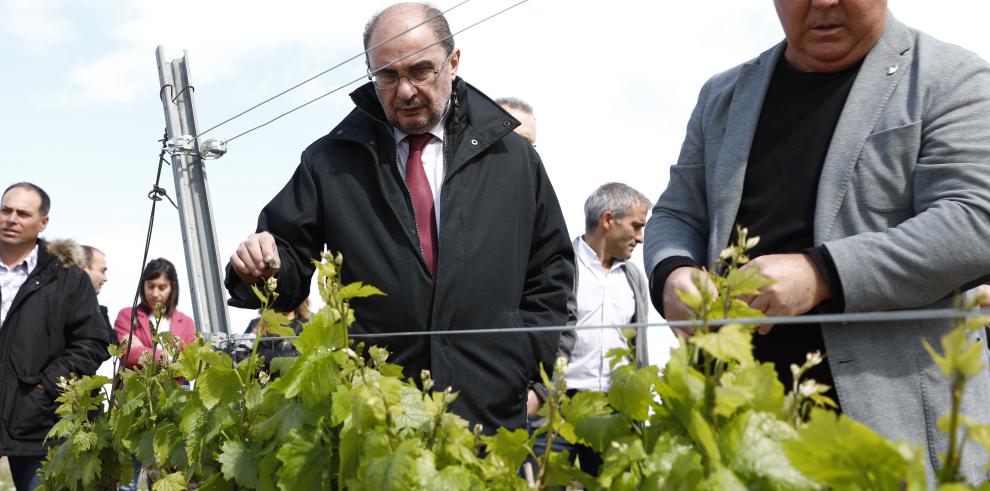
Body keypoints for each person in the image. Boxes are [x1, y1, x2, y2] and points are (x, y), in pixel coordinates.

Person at [644, 0, 990, 482]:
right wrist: (673, 272)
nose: (824, 2)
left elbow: (976, 221)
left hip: (890, 430)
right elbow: (678, 211)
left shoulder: (953, 77)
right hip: (736, 433)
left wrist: (821, 273)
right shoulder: (724, 95)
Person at [225, 2, 573, 433]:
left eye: (421, 70)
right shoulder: (331, 163)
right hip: (378, 420)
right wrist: (263, 265)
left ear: (454, 62)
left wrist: (531, 373)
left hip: (490, 415)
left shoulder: (512, 159)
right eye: (387, 76)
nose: (404, 90)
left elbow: (550, 274)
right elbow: (286, 258)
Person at [531, 183, 652, 475]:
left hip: (612, 409)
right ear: (608, 220)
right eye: (636, 226)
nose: (640, 238)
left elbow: (638, 346)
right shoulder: (559, 267)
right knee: (542, 482)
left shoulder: (633, 277)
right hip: (557, 406)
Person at [0, 182, 110, 491]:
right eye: (6, 210)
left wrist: (46, 385)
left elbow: (92, 342)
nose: (11, 219)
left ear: (43, 222)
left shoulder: (68, 277)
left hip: (38, 422)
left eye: (23, 213)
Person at [114, 258, 197, 370]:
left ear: (172, 288)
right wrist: (171, 357)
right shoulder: (128, 315)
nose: (155, 293)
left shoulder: (186, 323)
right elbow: (126, 356)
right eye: (150, 286)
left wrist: (141, 350)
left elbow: (189, 363)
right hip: (135, 386)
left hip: (174, 387)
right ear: (143, 285)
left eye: (162, 288)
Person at [232, 298, 311, 372]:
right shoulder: (256, 324)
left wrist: (262, 355)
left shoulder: (306, 325)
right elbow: (241, 356)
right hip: (262, 383)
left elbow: (303, 356)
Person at [81, 245, 114, 343]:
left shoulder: (99, 311)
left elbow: (112, 344)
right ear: (84, 268)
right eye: (102, 271)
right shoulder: (55, 307)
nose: (105, 278)